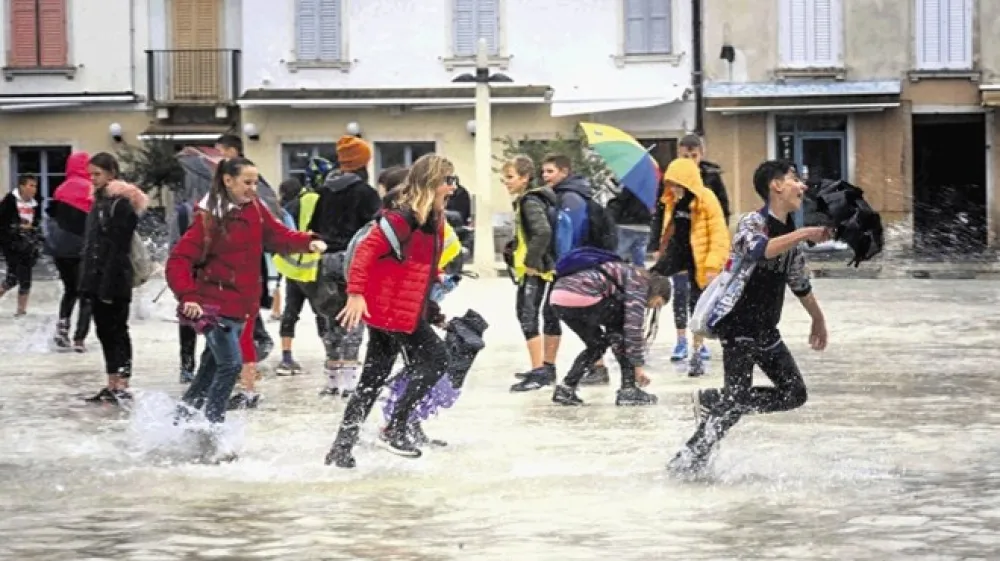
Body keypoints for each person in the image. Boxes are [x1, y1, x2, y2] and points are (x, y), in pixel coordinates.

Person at [667, 160, 831, 477]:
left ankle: (713, 399)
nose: (802, 186)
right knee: (736, 402)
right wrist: (804, 233)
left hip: (767, 329)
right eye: (795, 179)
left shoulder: (792, 240)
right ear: (776, 186)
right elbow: (757, 250)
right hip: (738, 325)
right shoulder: (752, 222)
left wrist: (818, 320)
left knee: (793, 394)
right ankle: (687, 463)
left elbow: (799, 283)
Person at [166, 157, 323, 427]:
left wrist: (307, 242)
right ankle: (212, 429)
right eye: (247, 182)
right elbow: (178, 260)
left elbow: (278, 236)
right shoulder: (209, 218)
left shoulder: (254, 209)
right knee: (230, 365)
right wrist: (188, 296)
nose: (253, 188)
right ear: (228, 181)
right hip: (212, 306)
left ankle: (180, 421)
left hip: (242, 304)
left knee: (210, 369)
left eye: (255, 182)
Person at [325, 154, 455, 468]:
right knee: (437, 358)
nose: (452, 188)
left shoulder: (431, 218)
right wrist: (355, 293)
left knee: (372, 377)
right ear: (431, 183)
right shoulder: (405, 217)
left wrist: (431, 309)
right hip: (392, 309)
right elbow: (367, 250)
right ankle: (396, 425)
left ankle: (341, 448)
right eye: (448, 181)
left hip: (398, 308)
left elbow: (418, 270)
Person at [306, 136, 381, 397]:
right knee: (353, 314)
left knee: (329, 315)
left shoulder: (325, 191)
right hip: (354, 259)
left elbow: (313, 227)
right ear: (362, 162)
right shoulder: (365, 193)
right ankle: (350, 381)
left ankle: (332, 378)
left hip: (326, 258)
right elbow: (376, 228)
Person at [549, 257, 671, 406]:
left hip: (558, 298)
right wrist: (637, 366)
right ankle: (628, 389)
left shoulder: (629, 275)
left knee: (597, 344)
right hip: (584, 294)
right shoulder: (639, 283)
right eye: (657, 303)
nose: (652, 307)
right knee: (620, 330)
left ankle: (566, 388)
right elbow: (633, 329)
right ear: (657, 290)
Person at [651, 158, 730, 377]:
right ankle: (642, 332)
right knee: (650, 280)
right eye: (671, 184)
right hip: (677, 252)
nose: (674, 189)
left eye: (678, 184)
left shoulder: (706, 199)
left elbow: (719, 234)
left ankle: (696, 352)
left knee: (696, 305)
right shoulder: (670, 200)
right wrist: (658, 247)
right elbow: (663, 224)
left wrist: (713, 264)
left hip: (700, 257)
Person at [79, 153, 148, 405]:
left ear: (111, 173)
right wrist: (86, 282)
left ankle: (123, 383)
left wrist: (108, 285)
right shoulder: (98, 203)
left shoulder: (122, 205)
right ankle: (111, 382)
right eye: (91, 175)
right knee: (103, 331)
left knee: (118, 330)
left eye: (97, 174)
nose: (93, 179)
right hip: (97, 279)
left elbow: (118, 248)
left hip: (116, 280)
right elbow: (91, 246)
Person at [499, 155, 564, 393]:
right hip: (544, 267)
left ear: (525, 178)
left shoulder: (530, 201)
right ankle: (544, 367)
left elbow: (542, 232)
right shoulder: (536, 199)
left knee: (527, 315)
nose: (505, 182)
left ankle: (539, 372)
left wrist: (530, 261)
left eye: (510, 177)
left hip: (536, 269)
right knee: (543, 314)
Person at [46, 153, 94, 351]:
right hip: (82, 248)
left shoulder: (60, 188)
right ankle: (79, 338)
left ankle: (62, 327)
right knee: (87, 294)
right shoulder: (90, 188)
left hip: (59, 250)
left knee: (69, 290)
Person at [0, 174, 42, 316]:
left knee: (25, 277)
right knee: (12, 278)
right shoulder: (10, 201)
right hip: (11, 243)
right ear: (22, 186)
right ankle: (20, 309)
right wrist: (16, 227)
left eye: (35, 186)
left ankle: (21, 310)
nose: (33, 189)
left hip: (28, 243)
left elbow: (37, 222)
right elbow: (2, 222)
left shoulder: (36, 203)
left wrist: (33, 228)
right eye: (30, 185)